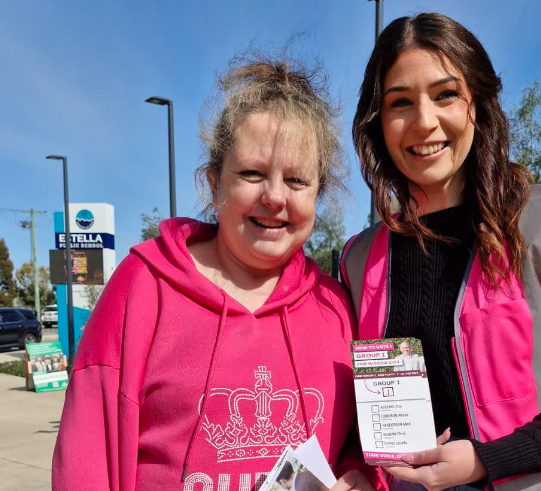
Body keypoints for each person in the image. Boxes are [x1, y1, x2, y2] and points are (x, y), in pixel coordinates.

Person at [53, 56, 381, 491]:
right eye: (251, 173)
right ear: (214, 181)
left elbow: (362, 445)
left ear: (319, 192)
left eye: (298, 180)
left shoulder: (335, 306)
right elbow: (86, 461)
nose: (275, 197)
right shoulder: (143, 287)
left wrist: (359, 474)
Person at [341, 12, 541, 491]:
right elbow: (350, 418)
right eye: (400, 103)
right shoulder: (356, 261)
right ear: (378, 123)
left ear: (476, 103)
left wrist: (485, 460)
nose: (424, 121)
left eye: (445, 95)